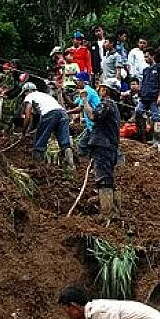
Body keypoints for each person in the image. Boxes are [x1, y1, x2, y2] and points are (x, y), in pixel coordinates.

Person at [81, 79, 122, 217]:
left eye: (101, 88)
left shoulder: (106, 104)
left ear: (105, 90)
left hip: (103, 147)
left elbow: (93, 116)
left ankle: (106, 214)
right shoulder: (113, 106)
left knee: (104, 180)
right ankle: (115, 212)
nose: (99, 90)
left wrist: (85, 100)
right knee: (108, 178)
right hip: (109, 147)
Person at [20, 82, 74, 169]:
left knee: (39, 143)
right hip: (63, 113)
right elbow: (36, 119)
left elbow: (28, 116)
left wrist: (23, 133)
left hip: (51, 114)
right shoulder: (45, 96)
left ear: (27, 92)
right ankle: (71, 166)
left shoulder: (29, 96)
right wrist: (30, 131)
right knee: (65, 144)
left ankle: (37, 168)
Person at [134, 49, 160, 144]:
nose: (145, 59)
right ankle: (142, 135)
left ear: (153, 56)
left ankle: (157, 138)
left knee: (156, 117)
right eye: (144, 57)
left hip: (154, 97)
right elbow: (143, 83)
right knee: (138, 111)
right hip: (144, 97)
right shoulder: (145, 70)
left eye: (147, 56)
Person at [66, 72, 100, 159]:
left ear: (82, 81)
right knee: (82, 143)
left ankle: (86, 161)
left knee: (85, 144)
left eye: (77, 81)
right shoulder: (83, 92)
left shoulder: (87, 91)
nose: (75, 83)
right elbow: (73, 104)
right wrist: (62, 92)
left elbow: (80, 108)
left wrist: (66, 113)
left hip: (95, 124)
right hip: (91, 125)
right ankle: (85, 160)